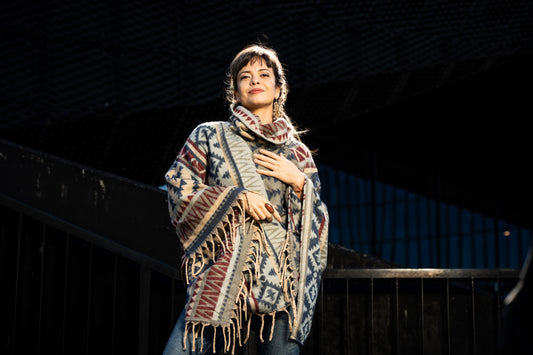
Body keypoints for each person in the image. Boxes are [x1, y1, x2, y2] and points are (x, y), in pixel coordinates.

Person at [162, 43, 329, 354]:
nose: (255, 80)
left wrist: (299, 183)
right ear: (236, 92)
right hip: (220, 275)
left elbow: (317, 225)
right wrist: (235, 198)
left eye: (264, 74)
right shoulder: (209, 135)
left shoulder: (297, 153)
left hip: (283, 283)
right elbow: (178, 188)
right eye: (245, 76)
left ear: (279, 89)